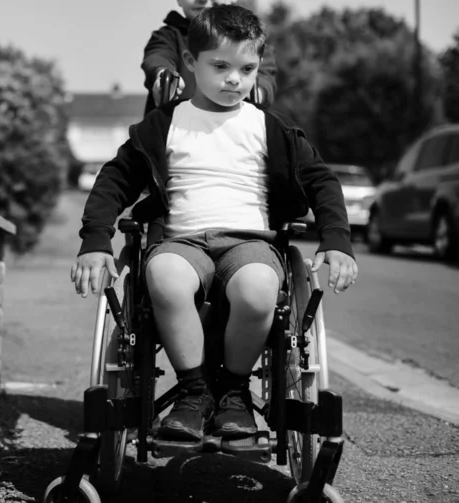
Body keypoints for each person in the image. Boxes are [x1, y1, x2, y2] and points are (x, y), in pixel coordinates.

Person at [71, 4, 358, 442]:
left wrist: (335, 240)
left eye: (247, 68)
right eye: (220, 66)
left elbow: (321, 180)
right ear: (190, 63)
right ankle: (194, 392)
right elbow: (114, 179)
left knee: (260, 288)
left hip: (250, 242)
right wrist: (95, 241)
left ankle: (234, 393)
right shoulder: (163, 125)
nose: (234, 79)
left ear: (259, 68)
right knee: (162, 275)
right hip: (183, 242)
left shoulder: (270, 128)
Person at [141, 0, 278, 116]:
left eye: (247, 69)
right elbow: (159, 56)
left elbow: (265, 76)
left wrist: (256, 94)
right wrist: (164, 78)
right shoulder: (167, 36)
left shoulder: (253, 41)